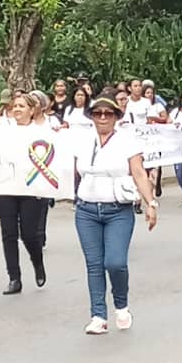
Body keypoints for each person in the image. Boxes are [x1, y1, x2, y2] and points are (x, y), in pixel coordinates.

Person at [71, 94, 157, 334]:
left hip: (117, 209)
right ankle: (98, 315)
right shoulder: (82, 140)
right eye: (97, 113)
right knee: (94, 264)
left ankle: (121, 304)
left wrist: (151, 203)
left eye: (107, 113)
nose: (102, 118)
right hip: (87, 208)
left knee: (115, 262)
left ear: (116, 117)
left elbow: (139, 173)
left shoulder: (127, 141)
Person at [0, 93, 49, 295]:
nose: (17, 109)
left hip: (31, 187)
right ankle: (14, 278)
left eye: (21, 106)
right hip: (7, 186)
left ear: (31, 110)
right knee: (8, 233)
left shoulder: (41, 130)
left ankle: (37, 262)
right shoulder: (4, 128)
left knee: (28, 234)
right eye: (15, 106)